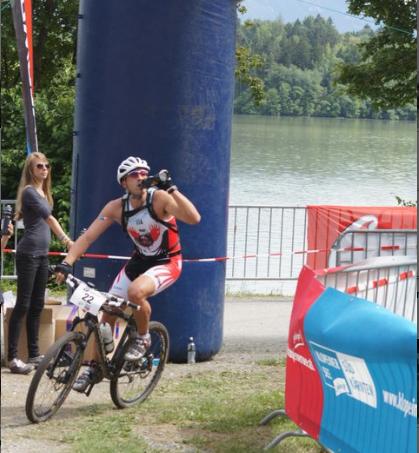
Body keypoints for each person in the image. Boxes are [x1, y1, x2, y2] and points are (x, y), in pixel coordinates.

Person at [55, 156, 200, 392]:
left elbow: (194, 218)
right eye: (135, 174)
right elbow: (88, 237)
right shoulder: (116, 208)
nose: (142, 177)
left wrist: (172, 189)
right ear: (124, 182)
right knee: (108, 312)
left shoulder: (160, 198)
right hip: (139, 262)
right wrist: (67, 262)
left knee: (135, 293)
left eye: (144, 173)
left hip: (168, 261)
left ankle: (143, 337)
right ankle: (94, 367)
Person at [7, 152, 74, 374]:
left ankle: (34, 354)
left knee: (37, 305)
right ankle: (13, 358)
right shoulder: (29, 192)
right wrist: (66, 241)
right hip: (28, 255)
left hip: (42, 255)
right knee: (23, 305)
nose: (44, 169)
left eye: (46, 165)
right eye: (39, 166)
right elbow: (50, 219)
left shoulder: (43, 193)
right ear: (31, 170)